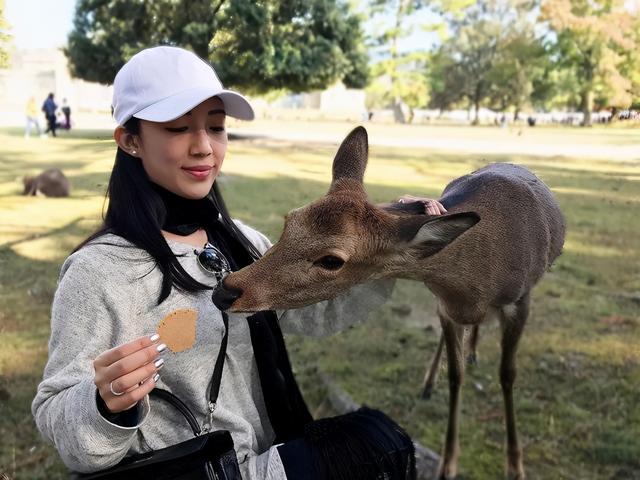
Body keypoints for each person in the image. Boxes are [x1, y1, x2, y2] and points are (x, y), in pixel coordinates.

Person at [31, 46, 445, 479]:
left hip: (260, 455)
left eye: (216, 127)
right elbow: (57, 411)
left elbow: (314, 312)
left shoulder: (242, 241)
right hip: (192, 470)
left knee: (380, 444)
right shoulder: (101, 271)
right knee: (376, 447)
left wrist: (383, 247)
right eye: (178, 128)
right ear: (130, 141)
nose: (203, 147)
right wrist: (104, 404)